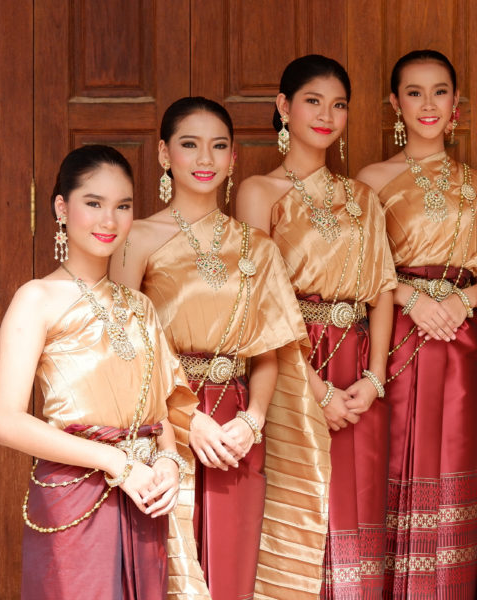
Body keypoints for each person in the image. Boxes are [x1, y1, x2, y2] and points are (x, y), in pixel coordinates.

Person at [112, 96, 315, 600]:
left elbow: (268, 349)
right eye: (189, 145)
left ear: (233, 158)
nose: (205, 159)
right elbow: (127, 349)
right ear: (164, 155)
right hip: (163, 420)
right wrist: (187, 420)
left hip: (236, 428)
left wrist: (254, 421)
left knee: (234, 571)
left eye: (218, 146)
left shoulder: (258, 247)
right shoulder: (135, 239)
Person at [0, 145, 206, 598]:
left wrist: (166, 459)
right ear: (61, 207)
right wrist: (116, 462)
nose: (110, 221)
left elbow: (161, 407)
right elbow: (4, 422)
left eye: (123, 206)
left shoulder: (139, 306)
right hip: (75, 498)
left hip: (143, 495)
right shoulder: (37, 299)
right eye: (94, 204)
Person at [354, 49, 477, 599]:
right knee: (392, 463)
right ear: (394, 105)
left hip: (459, 342)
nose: (428, 104)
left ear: (457, 106)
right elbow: (359, 266)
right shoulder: (371, 181)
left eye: (440, 92)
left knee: (453, 467)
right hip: (395, 335)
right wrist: (410, 297)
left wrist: (462, 302)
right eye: (415, 92)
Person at [236, 54, 398, 599]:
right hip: (292, 364)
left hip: (357, 370)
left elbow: (382, 292)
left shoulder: (363, 199)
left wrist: (375, 380)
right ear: (283, 107)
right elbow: (262, 302)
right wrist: (314, 388)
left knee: (359, 512)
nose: (327, 115)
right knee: (304, 509)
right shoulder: (259, 192)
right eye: (312, 101)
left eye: (339, 105)